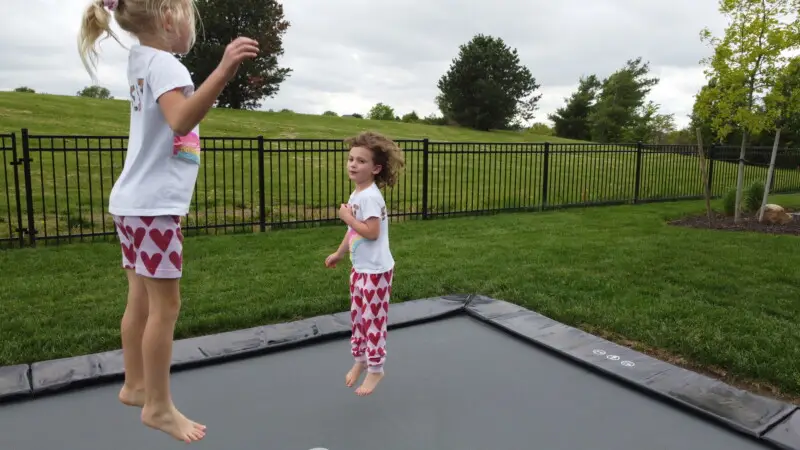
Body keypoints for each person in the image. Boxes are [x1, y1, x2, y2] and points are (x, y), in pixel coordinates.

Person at [78, 0, 259, 443]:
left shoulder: (141, 60)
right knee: (166, 308)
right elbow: (181, 119)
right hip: (154, 207)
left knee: (139, 300)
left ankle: (135, 385)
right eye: (186, 16)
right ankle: (158, 407)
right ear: (166, 19)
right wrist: (223, 72)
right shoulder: (167, 66)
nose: (190, 26)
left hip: (131, 203)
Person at [325, 131, 405, 396]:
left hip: (376, 272)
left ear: (376, 168)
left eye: (361, 161)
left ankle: (376, 369)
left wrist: (346, 217)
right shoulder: (358, 193)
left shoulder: (370, 196)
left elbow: (371, 232)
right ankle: (361, 359)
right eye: (351, 159)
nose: (353, 164)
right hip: (360, 268)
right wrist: (339, 253)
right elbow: (355, 233)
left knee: (373, 321)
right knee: (358, 317)